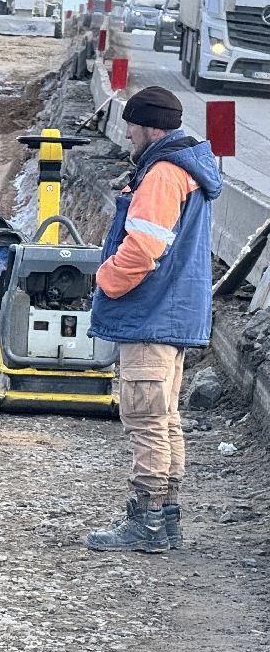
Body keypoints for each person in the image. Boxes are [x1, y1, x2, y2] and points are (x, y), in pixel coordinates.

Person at [86, 87, 223, 552]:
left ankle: (146, 523)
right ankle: (166, 522)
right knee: (164, 419)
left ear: (151, 128)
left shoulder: (163, 174)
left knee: (144, 419)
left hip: (150, 316)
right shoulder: (184, 170)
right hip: (173, 314)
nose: (125, 134)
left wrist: (104, 280)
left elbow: (142, 250)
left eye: (131, 126)